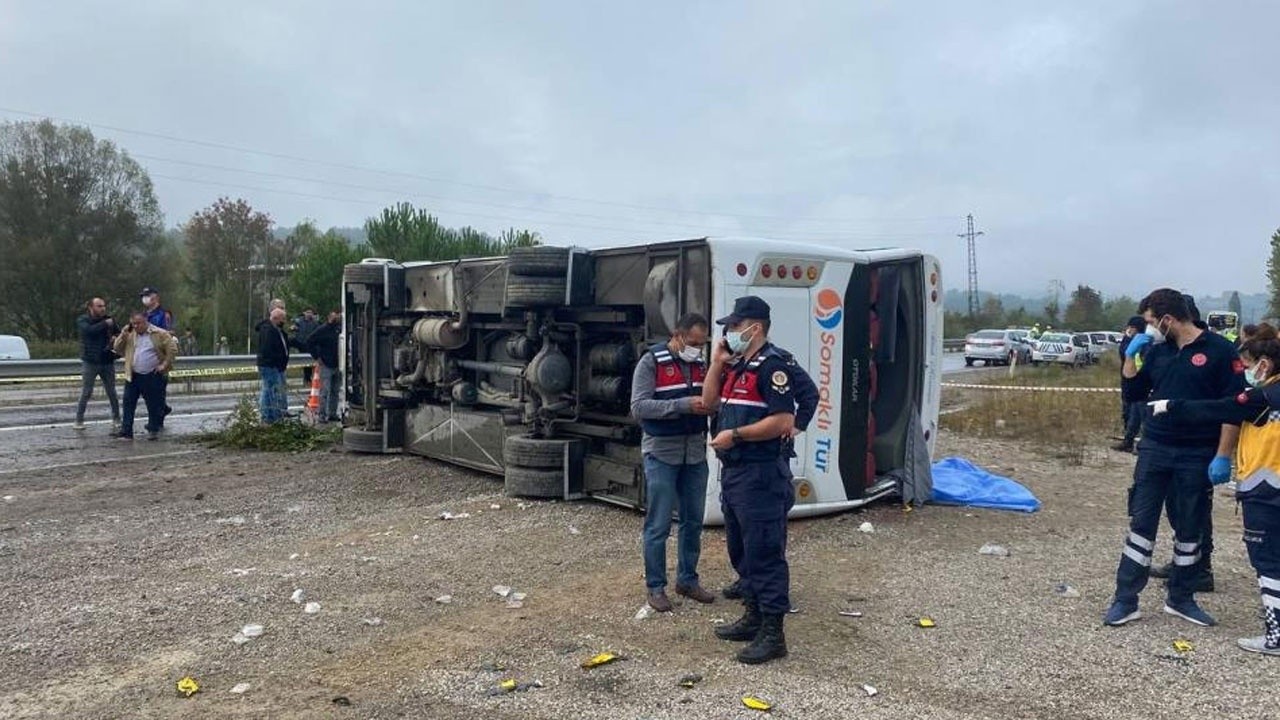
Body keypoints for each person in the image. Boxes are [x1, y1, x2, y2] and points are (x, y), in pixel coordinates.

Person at [1103, 288, 1245, 627]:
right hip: (1155, 448)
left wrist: (1223, 455)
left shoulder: (1220, 351)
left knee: (1190, 527)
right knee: (1141, 523)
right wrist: (1130, 358)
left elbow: (1233, 407)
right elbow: (1135, 394)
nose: (1148, 328)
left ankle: (1181, 597)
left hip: (1197, 452)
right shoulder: (1159, 351)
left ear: (1167, 319)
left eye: (1151, 322)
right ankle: (1125, 599)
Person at [1149, 323, 1280, 655]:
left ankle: (1275, 636)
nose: (1247, 372)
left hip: (1266, 489)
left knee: (1267, 561)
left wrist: (1173, 406)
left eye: (1250, 366)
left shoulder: (1262, 396)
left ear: (1264, 364)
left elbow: (1220, 408)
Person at [700, 296, 798, 665]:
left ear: (754, 328)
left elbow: (782, 420)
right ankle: (753, 615)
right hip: (736, 473)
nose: (729, 333)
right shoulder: (737, 366)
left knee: (765, 553)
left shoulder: (772, 367)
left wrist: (737, 435)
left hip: (761, 473)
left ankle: (773, 634)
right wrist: (715, 363)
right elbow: (709, 403)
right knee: (742, 551)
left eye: (735, 326)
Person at [629, 313, 716, 612]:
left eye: (701, 344)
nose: (697, 348)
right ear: (676, 336)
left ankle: (687, 580)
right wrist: (681, 406)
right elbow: (639, 407)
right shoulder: (651, 362)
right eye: (692, 342)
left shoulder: (703, 365)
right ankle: (655, 587)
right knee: (659, 524)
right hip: (661, 453)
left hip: (694, 452)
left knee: (693, 522)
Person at [722, 348, 818, 601]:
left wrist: (796, 426)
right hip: (739, 463)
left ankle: (766, 595)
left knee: (765, 533)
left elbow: (810, 394)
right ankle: (747, 581)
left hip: (768, 458)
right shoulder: (739, 363)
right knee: (740, 530)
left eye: (736, 326)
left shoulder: (778, 361)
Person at [111, 311, 178, 440]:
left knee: (153, 404)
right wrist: (122, 336)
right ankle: (126, 430)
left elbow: (172, 350)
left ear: (146, 321)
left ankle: (153, 429)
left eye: (139, 323)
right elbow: (117, 349)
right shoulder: (130, 334)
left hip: (151, 374)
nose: (136, 326)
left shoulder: (159, 333)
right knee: (128, 403)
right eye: (133, 324)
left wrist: (164, 365)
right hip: (133, 374)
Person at [73, 297, 121, 431]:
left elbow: (120, 333)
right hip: (90, 361)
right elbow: (89, 331)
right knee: (87, 392)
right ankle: (79, 419)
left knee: (112, 391)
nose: (102, 308)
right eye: (99, 306)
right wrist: (106, 324)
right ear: (91, 307)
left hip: (107, 360)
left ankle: (116, 418)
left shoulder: (109, 320)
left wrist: (115, 338)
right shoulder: (83, 320)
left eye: (103, 306)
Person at [1112, 316, 1148, 453]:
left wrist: (1128, 339)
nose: (1128, 330)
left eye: (1131, 327)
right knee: (1132, 415)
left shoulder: (1144, 343)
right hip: (1129, 382)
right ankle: (1128, 441)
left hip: (1141, 383)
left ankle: (1141, 445)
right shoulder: (1132, 342)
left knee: (1143, 417)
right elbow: (1123, 354)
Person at [307, 309, 343, 423]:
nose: (336, 317)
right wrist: (317, 356)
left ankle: (332, 413)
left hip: (338, 363)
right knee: (325, 391)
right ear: (329, 316)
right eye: (335, 315)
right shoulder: (323, 330)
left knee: (335, 391)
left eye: (338, 315)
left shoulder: (339, 329)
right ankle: (322, 414)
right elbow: (310, 341)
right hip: (326, 364)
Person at [256, 307, 291, 423]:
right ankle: (270, 416)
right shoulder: (268, 330)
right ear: (275, 318)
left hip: (274, 365)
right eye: (282, 319)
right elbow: (268, 349)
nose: (284, 321)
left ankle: (271, 414)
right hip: (270, 365)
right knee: (271, 391)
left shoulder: (276, 330)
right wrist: (277, 360)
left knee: (269, 390)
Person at [292, 309, 320, 388]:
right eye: (307, 312)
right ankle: (307, 379)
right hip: (302, 345)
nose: (309, 314)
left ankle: (311, 380)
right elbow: (294, 330)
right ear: (304, 313)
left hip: (312, 346)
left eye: (311, 312)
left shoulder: (315, 323)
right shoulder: (299, 322)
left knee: (311, 363)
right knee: (305, 364)